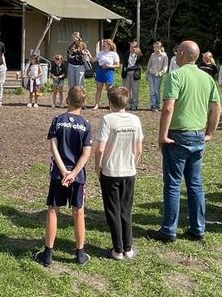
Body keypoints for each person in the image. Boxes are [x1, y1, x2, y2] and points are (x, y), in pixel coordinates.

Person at [156, 41, 221, 242]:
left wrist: (162, 135)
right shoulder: (206, 78)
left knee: (173, 184)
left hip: (177, 135)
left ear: (182, 54)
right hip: (197, 134)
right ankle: (198, 228)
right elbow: (216, 108)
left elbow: (168, 108)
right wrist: (209, 132)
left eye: (177, 51)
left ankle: (169, 230)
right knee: (195, 184)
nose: (175, 54)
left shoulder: (175, 76)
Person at [35, 86, 93, 267]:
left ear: (67, 100)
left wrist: (63, 171)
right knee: (79, 211)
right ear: (84, 103)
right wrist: (74, 173)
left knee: (53, 209)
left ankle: (48, 253)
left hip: (58, 174)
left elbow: (53, 146)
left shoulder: (57, 120)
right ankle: (80, 253)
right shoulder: (86, 124)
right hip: (77, 176)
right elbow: (86, 153)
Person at [95, 86, 143, 260]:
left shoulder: (108, 119)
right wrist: (133, 163)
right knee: (126, 209)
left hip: (110, 170)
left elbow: (100, 148)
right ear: (127, 101)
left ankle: (117, 249)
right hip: (129, 171)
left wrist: (97, 166)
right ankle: (128, 248)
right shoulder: (135, 120)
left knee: (112, 210)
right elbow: (139, 148)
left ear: (109, 102)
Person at [91, 39, 120, 110]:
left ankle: (110, 105)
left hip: (109, 71)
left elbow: (117, 65)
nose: (103, 45)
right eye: (103, 44)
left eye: (105, 44)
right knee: (98, 88)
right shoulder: (100, 53)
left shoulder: (114, 54)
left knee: (109, 90)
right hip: (100, 70)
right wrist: (88, 54)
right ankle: (96, 105)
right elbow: (93, 60)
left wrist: (109, 66)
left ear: (109, 45)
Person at [146, 41, 169, 111]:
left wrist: (160, 73)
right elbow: (149, 64)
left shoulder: (164, 56)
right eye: (153, 47)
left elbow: (165, 67)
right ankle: (153, 105)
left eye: (155, 47)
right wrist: (148, 72)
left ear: (160, 47)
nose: (154, 49)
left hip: (158, 76)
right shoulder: (152, 55)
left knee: (156, 91)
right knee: (152, 91)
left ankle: (157, 105)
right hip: (151, 74)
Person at [122, 41, 142, 111]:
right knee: (126, 90)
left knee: (135, 90)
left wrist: (128, 68)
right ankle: (127, 104)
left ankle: (134, 104)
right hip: (126, 74)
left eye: (133, 47)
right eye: (130, 47)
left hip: (135, 74)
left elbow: (138, 66)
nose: (131, 48)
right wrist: (124, 72)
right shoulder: (126, 54)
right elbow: (124, 64)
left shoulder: (139, 55)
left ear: (137, 48)